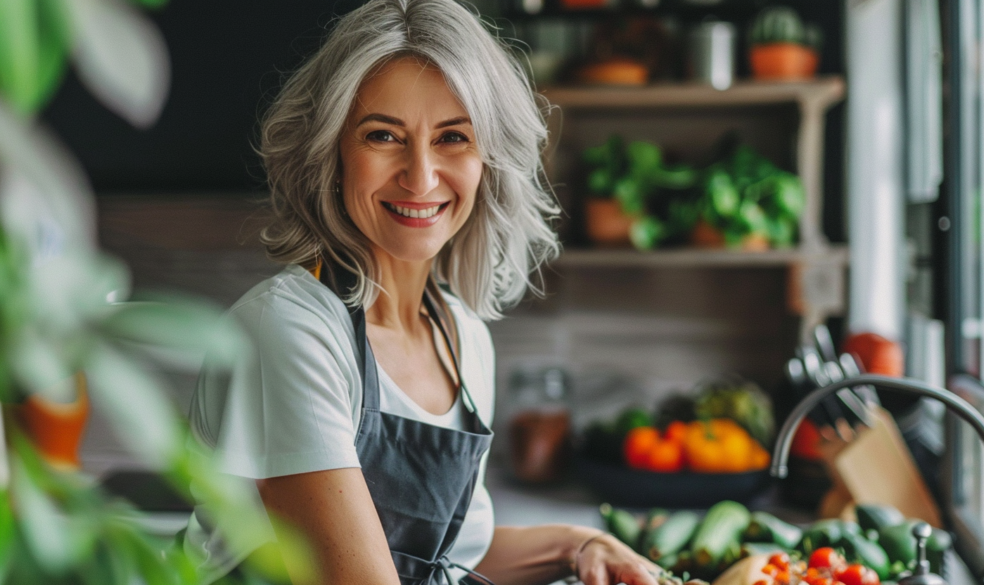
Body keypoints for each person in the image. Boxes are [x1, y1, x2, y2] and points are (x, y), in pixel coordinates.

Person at [184, 0, 665, 583]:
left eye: (453, 137)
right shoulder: (289, 331)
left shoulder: (462, 337)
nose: (421, 176)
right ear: (332, 153)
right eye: (383, 135)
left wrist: (581, 543)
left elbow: (449, 558)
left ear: (489, 160)